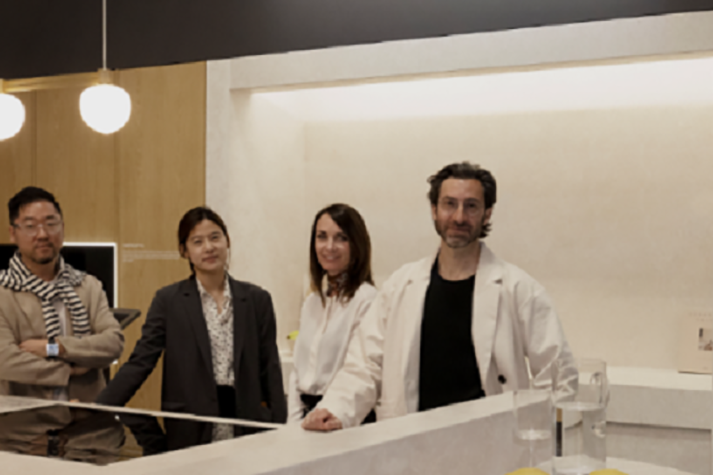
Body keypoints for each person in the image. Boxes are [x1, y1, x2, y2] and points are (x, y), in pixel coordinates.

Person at [303, 162, 576, 430]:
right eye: (449, 204)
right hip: (413, 443)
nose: (459, 217)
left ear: (487, 213)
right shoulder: (400, 286)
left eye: (471, 206)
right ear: (434, 210)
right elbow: (365, 364)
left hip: (492, 445)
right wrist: (335, 409)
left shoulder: (519, 289)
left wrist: (537, 433)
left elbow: (558, 375)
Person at [97, 206, 286, 423]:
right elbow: (141, 361)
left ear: (227, 241)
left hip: (246, 420)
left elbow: (270, 367)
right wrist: (98, 408)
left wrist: (279, 425)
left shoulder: (257, 299)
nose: (209, 247)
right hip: (190, 422)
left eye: (215, 237)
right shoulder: (168, 301)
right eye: (197, 242)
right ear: (184, 251)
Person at [0, 186, 124, 401]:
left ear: (62, 228)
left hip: (87, 418)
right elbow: (4, 362)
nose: (42, 234)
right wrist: (69, 371)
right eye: (30, 226)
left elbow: (113, 344)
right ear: (12, 234)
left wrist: (55, 348)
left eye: (51, 224)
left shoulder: (87, 285)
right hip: (24, 424)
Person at [288, 203, 379, 422]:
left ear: (356, 245)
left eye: (341, 238)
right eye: (322, 237)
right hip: (305, 416)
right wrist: (292, 421)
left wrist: (332, 412)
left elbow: (360, 371)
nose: (330, 246)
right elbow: (297, 370)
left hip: (341, 416)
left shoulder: (367, 299)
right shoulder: (312, 301)